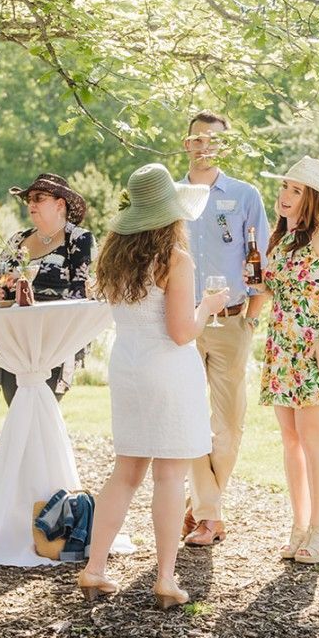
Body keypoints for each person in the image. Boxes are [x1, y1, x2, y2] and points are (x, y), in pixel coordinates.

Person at [79, 164, 227, 609]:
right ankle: (165, 578)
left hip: (127, 368)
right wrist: (208, 306)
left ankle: (94, 568)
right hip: (167, 372)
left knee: (125, 473)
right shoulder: (175, 260)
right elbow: (182, 332)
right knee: (169, 475)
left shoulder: (113, 256)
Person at [256, 157, 319, 565]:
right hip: (281, 347)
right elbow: (267, 289)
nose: (285, 195)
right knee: (290, 440)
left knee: (312, 438)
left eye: (295, 190)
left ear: (310, 198)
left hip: (316, 345)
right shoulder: (279, 238)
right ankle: (297, 525)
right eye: (284, 188)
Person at [181, 111, 269, 547]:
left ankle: (199, 504)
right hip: (183, 322)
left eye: (212, 139)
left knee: (230, 424)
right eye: (196, 139)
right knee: (189, 417)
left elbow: (262, 264)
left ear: (224, 146)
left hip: (234, 321)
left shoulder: (245, 195)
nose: (204, 146)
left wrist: (251, 318)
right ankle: (209, 516)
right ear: (186, 145)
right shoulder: (171, 197)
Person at [0, 173, 94, 404]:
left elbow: (80, 291)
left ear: (59, 204)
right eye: (29, 199)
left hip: (54, 337)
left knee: (43, 407)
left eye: (38, 197)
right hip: (13, 336)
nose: (31, 204)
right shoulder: (17, 239)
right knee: (15, 405)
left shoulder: (78, 239)